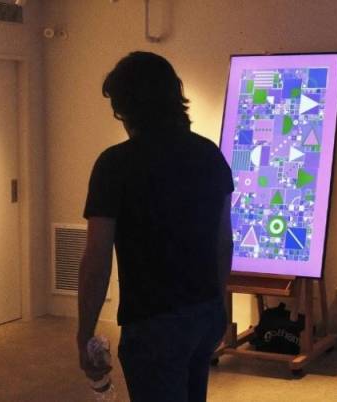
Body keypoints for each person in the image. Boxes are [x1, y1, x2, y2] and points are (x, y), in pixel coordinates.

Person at [76, 51, 234, 402]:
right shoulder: (209, 155)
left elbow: (97, 259)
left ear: (126, 108)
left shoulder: (115, 165)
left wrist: (84, 333)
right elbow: (223, 242)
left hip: (152, 322)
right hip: (204, 312)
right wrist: (217, 305)